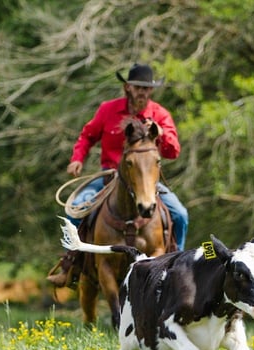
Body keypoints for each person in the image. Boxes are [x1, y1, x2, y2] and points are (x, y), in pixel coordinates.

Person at [47, 63, 188, 288]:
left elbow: (173, 152)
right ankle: (69, 264)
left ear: (151, 90)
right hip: (109, 177)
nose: (142, 92)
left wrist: (160, 132)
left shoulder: (159, 114)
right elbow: (88, 135)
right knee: (75, 209)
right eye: (138, 87)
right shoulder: (108, 110)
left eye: (146, 88)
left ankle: (176, 264)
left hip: (145, 181)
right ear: (127, 87)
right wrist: (77, 158)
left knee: (180, 214)